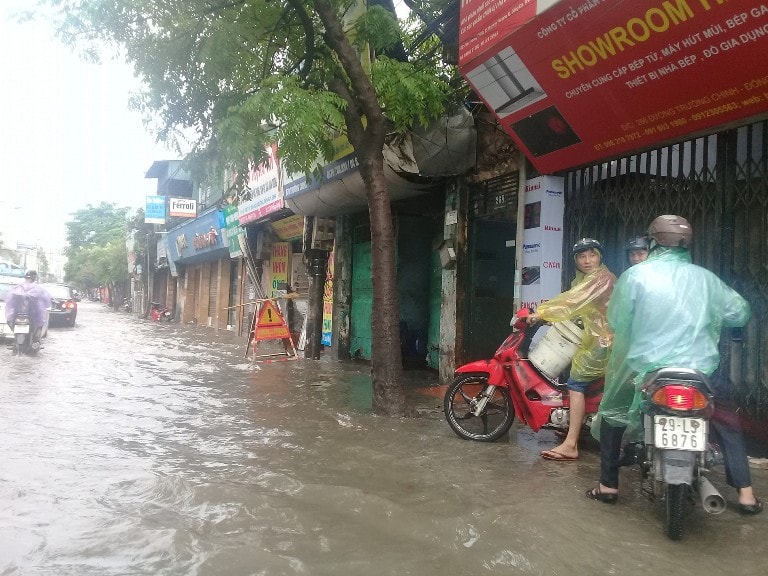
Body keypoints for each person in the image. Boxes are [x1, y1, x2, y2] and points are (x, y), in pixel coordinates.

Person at [587, 215, 761, 515]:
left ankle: (608, 486)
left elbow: (616, 320)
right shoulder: (705, 278)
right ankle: (745, 493)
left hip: (648, 373)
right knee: (728, 423)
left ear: (653, 242)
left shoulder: (636, 276)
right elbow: (740, 312)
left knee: (613, 415)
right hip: (699, 374)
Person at [527, 238, 616, 461]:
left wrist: (542, 313)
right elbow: (580, 308)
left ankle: (570, 444)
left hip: (603, 343)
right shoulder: (586, 279)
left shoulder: (601, 278)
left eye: (592, 255)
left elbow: (572, 301)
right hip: (595, 339)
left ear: (600, 257)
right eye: (582, 256)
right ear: (576, 260)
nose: (587, 261)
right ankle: (572, 426)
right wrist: (551, 319)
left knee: (575, 384)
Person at [4, 270, 51, 349]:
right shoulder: (38, 289)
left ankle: (19, 340)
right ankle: (36, 341)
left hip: (17, 314)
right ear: (34, 278)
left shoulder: (17, 287)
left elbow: (9, 301)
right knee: (40, 324)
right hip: (33, 315)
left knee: (10, 322)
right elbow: (46, 301)